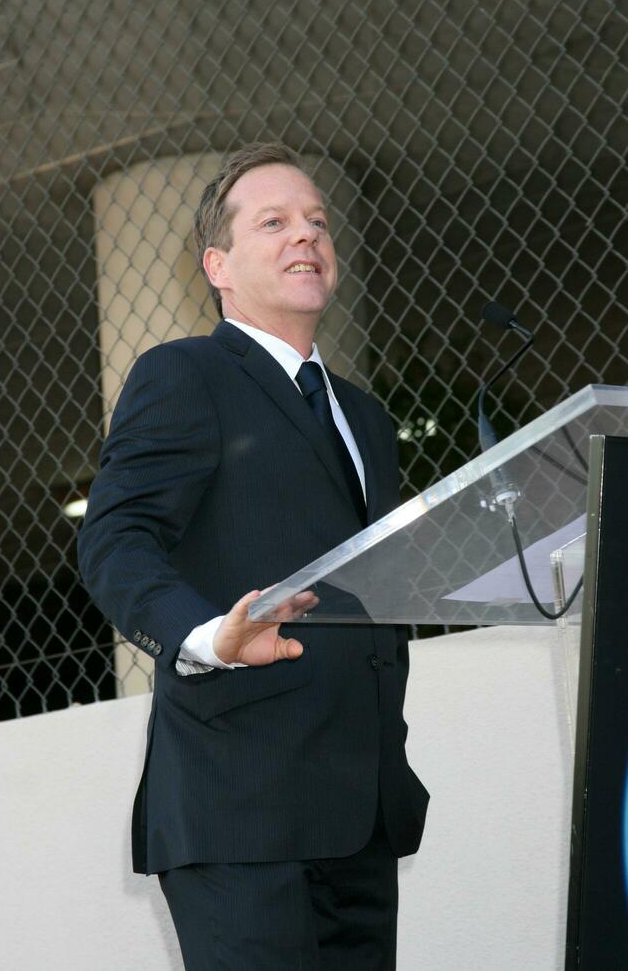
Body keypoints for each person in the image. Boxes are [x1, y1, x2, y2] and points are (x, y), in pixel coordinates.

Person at [78, 142, 428, 970]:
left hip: (361, 810)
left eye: (318, 221)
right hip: (242, 807)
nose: (306, 236)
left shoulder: (367, 417)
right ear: (218, 265)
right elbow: (114, 539)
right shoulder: (184, 374)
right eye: (273, 222)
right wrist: (205, 637)